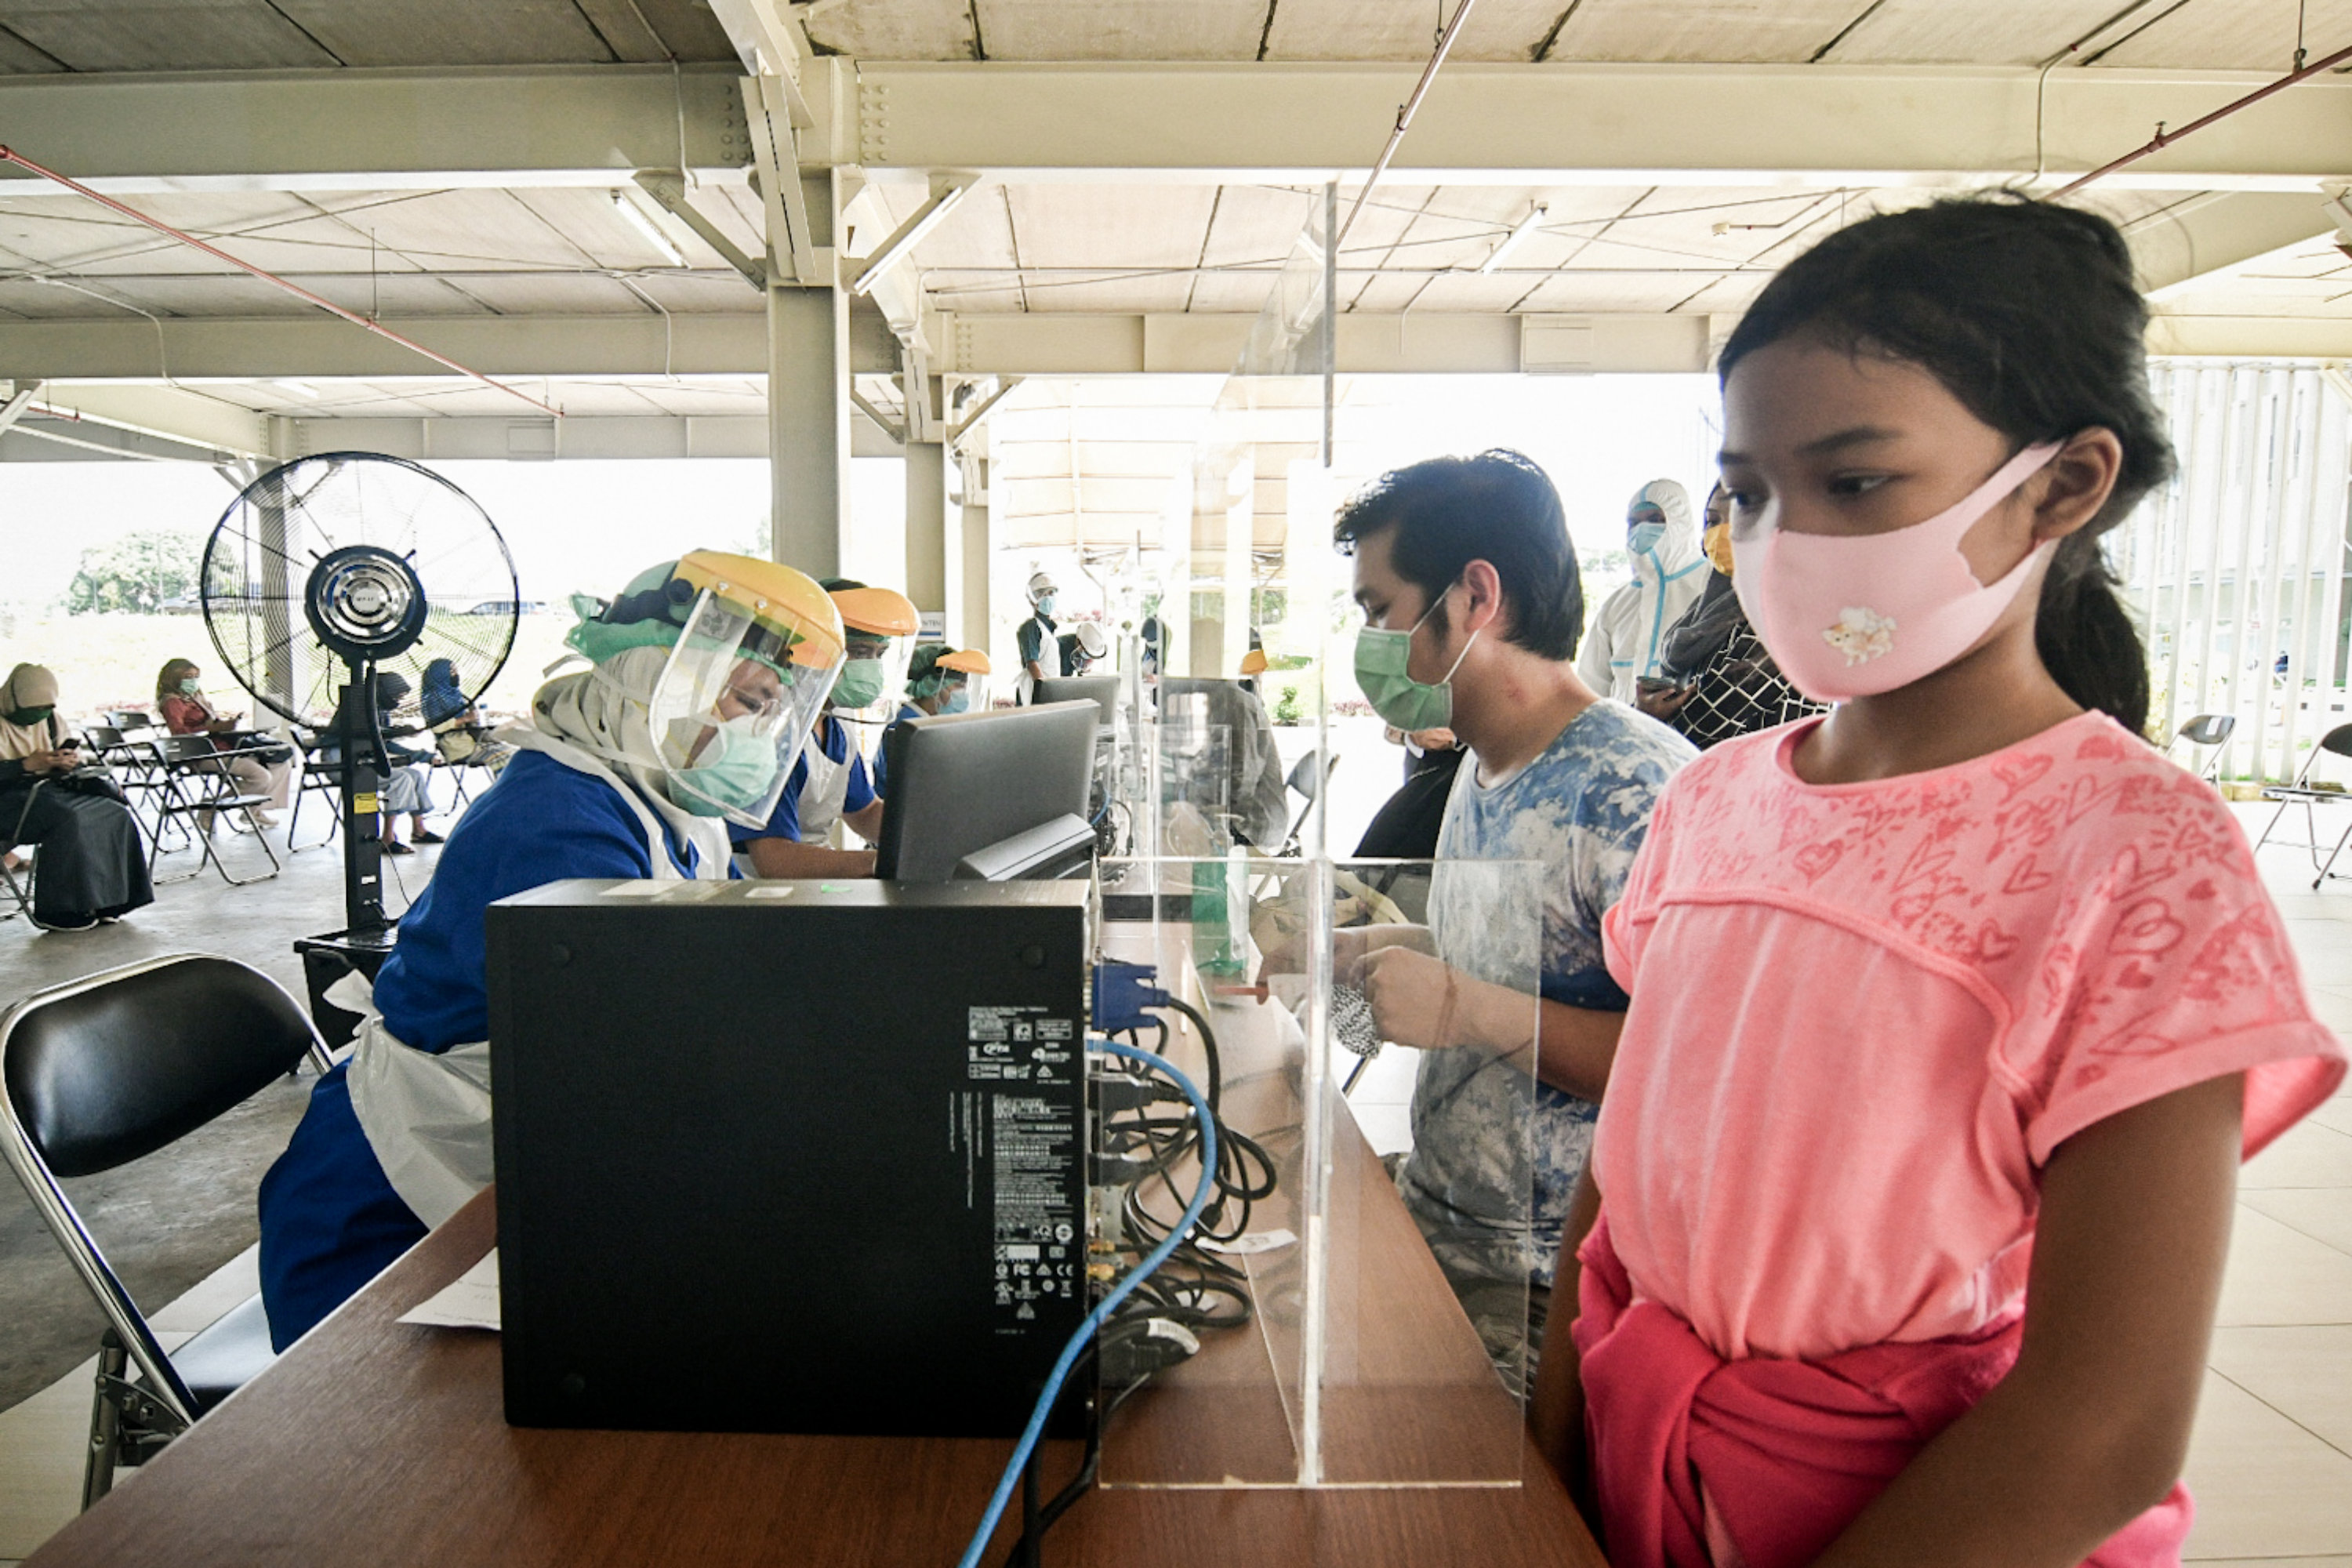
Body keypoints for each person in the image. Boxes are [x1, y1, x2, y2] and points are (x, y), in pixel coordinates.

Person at [1532, 197, 2349, 1568]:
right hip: (1641, 1484)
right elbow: (1618, 1195)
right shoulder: (1713, 805)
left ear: (2062, 486)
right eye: (1750, 495)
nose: (1783, 541)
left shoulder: (2138, 855)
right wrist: (1544, 1488)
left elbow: (2103, 1426)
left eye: (1855, 485)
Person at [257, 551, 843, 1348]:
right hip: (384, 1218)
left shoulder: (660, 804)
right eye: (746, 701)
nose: (756, 735)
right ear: (658, 680)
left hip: (499, 1159)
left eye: (769, 711)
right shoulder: (558, 823)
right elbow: (641, 1051)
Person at [1331, 450, 1694, 1393]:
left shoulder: (1633, 789)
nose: (1368, 639)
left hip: (1543, 1289)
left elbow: (1693, 1063)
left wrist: (1460, 1006)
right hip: (1445, 1217)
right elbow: (1520, 960)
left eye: (1378, 607)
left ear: (1475, 596)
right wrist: (1366, 952)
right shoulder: (1483, 764)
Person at [732, 579, 919, 879]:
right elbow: (775, 859)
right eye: (859, 651)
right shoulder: (772, 726)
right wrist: (879, 864)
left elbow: (864, 811)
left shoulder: (838, 726)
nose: (871, 666)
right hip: (757, 892)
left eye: (879, 654)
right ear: (811, 647)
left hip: (813, 887)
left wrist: (925, 833)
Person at [1633, 483, 1824, 748]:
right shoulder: (1708, 608)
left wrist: (1643, 718)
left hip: (1760, 772)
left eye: (1737, 517)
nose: (1722, 531)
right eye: (1712, 521)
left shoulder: (1784, 615)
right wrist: (1646, 712)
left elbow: (1700, 725)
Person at [0, 664, 153, 931]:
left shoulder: (51, 721)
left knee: (113, 811)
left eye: (45, 708)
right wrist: (24, 765)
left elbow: (67, 758)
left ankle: (111, 901)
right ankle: (62, 910)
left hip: (48, 790)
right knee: (67, 817)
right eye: (33, 709)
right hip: (10, 800)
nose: (39, 714)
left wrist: (66, 761)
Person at [1574, 480, 1708, 703]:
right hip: (1623, 725)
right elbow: (1592, 687)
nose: (1642, 530)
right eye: (1634, 523)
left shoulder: (1712, 587)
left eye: (1655, 519)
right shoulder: (1616, 605)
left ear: (1680, 522)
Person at [156, 657, 292, 827]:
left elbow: (212, 724)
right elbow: (179, 733)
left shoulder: (196, 697)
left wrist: (224, 724)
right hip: (202, 753)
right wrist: (212, 728)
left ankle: (254, 810)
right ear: (175, 678)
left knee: (280, 763)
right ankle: (211, 807)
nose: (193, 681)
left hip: (223, 747)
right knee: (260, 776)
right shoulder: (172, 702)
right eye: (188, 677)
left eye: (196, 677)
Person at [873, 644, 989, 799]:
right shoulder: (910, 729)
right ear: (932, 686)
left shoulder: (926, 723)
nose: (964, 695)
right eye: (958, 686)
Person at [368, 671, 441, 854]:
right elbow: (378, 738)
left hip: (366, 762)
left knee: (414, 775)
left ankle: (419, 830)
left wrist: (422, 756)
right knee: (401, 779)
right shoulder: (362, 711)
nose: (398, 701)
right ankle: (387, 838)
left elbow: (384, 741)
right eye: (396, 696)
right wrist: (399, 733)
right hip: (347, 765)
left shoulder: (379, 710)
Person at [419, 655, 514, 777]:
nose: (456, 674)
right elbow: (437, 727)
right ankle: (506, 785)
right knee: (501, 756)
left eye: (456, 670)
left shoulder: (454, 694)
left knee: (514, 754)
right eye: (452, 671)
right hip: (459, 748)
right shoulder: (431, 701)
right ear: (441, 675)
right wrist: (466, 719)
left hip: (474, 742)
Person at [1016, 570, 1061, 702]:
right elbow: (1032, 663)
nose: (1048, 597)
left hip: (1050, 690)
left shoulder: (1049, 629)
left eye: (1051, 593)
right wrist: (1044, 690)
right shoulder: (1030, 627)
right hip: (1036, 692)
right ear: (1033, 600)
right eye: (1042, 594)